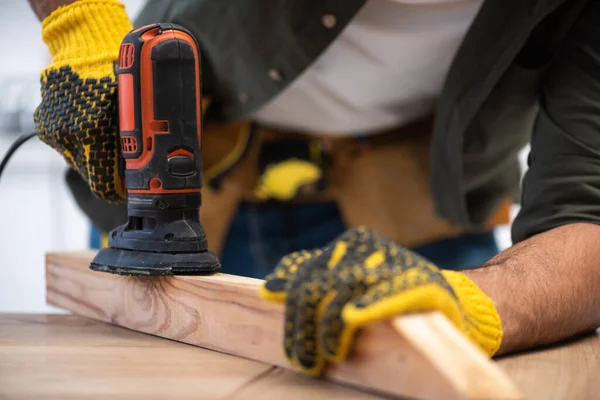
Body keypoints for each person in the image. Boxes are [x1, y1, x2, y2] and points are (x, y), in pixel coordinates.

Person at [28, 0, 600, 376]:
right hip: (208, 191)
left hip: (414, 236)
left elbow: (585, 213)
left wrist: (472, 303)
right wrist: (78, 20)